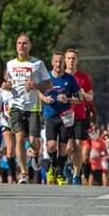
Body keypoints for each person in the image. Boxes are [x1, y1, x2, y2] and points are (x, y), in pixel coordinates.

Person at [4, 34, 51, 184]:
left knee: (33, 141)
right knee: (18, 138)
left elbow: (48, 84)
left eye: (25, 43)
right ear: (16, 46)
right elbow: (8, 83)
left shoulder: (38, 64)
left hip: (33, 107)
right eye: (19, 43)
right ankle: (23, 173)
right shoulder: (10, 64)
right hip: (16, 105)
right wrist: (7, 86)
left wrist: (36, 86)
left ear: (29, 46)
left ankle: (36, 153)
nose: (21, 46)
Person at [38, 52, 80, 185]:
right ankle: (54, 165)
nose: (58, 64)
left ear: (64, 63)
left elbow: (79, 99)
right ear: (52, 62)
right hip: (50, 115)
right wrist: (45, 99)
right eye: (56, 61)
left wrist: (67, 99)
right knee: (51, 145)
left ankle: (60, 173)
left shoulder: (70, 79)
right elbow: (38, 91)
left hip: (65, 116)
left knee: (63, 148)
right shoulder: (46, 77)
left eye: (60, 62)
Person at [63, 49, 94, 186]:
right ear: (65, 60)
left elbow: (90, 97)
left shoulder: (84, 77)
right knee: (68, 147)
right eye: (69, 58)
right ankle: (67, 163)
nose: (71, 61)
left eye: (73, 58)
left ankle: (76, 175)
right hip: (64, 115)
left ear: (77, 61)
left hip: (80, 115)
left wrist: (83, 94)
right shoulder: (61, 76)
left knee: (79, 146)